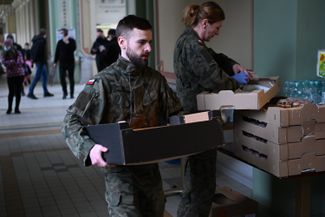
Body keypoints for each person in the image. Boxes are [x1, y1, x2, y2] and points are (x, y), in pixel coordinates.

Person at [62, 15, 182, 216]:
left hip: (151, 177)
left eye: (149, 42)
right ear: (122, 42)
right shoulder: (102, 82)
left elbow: (177, 113)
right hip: (120, 180)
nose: (149, 49)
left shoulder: (156, 80)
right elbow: (70, 122)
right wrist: (89, 149)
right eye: (142, 42)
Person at [173, 2, 252, 217]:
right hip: (197, 121)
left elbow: (214, 58)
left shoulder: (190, 39)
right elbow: (217, 81)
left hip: (196, 118)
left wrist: (231, 65)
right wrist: (239, 81)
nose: (217, 33)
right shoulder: (192, 46)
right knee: (202, 185)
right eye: (217, 28)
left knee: (195, 183)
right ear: (205, 23)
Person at [27, 29, 54, 99]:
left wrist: (34, 60)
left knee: (45, 76)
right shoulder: (41, 41)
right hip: (40, 62)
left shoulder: (37, 40)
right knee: (37, 77)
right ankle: (30, 92)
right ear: (44, 34)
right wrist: (36, 60)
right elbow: (38, 52)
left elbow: (33, 50)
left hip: (41, 62)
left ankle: (45, 92)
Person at [1, 38, 25, 114]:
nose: (7, 45)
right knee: (11, 92)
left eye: (9, 44)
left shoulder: (17, 51)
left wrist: (11, 63)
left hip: (19, 74)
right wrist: (13, 62)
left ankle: (16, 108)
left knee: (18, 91)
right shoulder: (4, 53)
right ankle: (10, 108)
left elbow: (20, 61)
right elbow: (3, 62)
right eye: (6, 44)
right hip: (11, 75)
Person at [53, 28, 77, 99]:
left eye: (61, 33)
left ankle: (72, 93)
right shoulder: (59, 42)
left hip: (70, 62)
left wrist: (68, 43)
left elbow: (74, 49)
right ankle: (65, 92)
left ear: (65, 33)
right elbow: (57, 52)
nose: (60, 34)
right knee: (62, 78)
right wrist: (55, 62)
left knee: (71, 78)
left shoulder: (72, 41)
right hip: (62, 63)